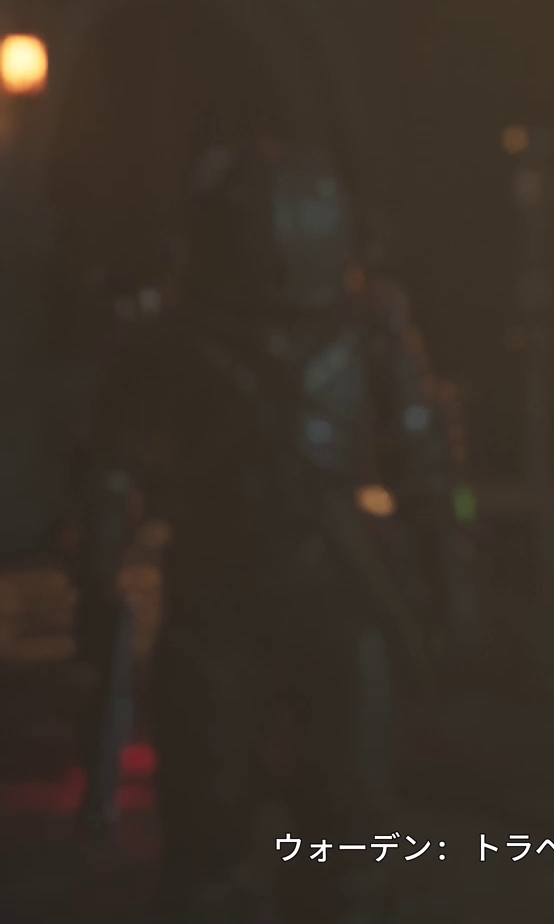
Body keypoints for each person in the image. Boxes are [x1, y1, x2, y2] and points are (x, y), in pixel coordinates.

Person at [70, 138, 475, 922]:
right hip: (221, 595)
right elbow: (111, 468)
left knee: (347, 826)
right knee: (208, 823)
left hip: (331, 591)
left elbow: (424, 469)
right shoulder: (174, 335)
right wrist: (98, 576)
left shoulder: (366, 330)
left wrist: (448, 582)